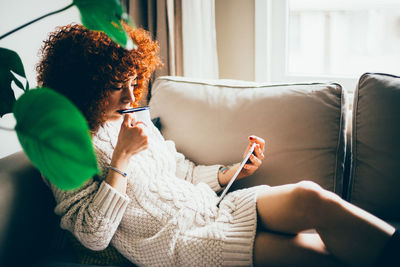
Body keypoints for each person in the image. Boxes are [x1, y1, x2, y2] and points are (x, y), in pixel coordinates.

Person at [36, 23, 399, 266]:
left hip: (210, 208)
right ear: (85, 86)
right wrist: (122, 158)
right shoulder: (62, 144)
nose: (132, 94)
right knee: (312, 253)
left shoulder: (135, 117)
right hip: (179, 243)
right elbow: (91, 234)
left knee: (310, 196)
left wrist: (231, 172)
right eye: (117, 86)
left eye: (135, 80)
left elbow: (180, 171)